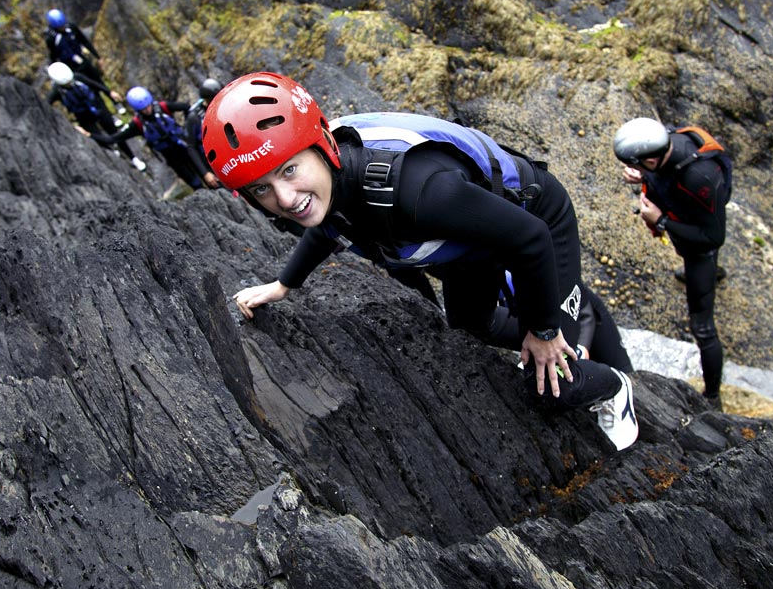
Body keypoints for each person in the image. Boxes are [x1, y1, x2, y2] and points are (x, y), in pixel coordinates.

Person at [202, 72, 639, 451]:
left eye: (289, 171)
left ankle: (615, 385)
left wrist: (543, 332)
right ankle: (552, 331)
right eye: (261, 189)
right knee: (470, 324)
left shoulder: (417, 193)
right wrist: (284, 286)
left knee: (551, 387)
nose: (284, 199)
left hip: (533, 222)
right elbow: (329, 227)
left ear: (321, 147)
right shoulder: (331, 180)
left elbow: (531, 237)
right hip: (472, 241)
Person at [613, 117, 733, 405]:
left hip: (701, 246)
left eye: (640, 164)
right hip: (695, 217)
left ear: (652, 159)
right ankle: (714, 271)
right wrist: (641, 177)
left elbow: (713, 237)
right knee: (695, 248)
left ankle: (714, 395)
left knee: (703, 329)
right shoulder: (663, 144)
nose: (640, 169)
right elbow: (662, 176)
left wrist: (661, 220)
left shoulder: (698, 177)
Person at [97, 86, 218, 196]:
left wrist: (188, 130)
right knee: (195, 184)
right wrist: (90, 135)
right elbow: (114, 138)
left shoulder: (163, 107)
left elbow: (186, 107)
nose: (148, 110)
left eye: (148, 106)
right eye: (143, 109)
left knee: (208, 174)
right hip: (173, 158)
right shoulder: (137, 125)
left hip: (185, 147)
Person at [45, 63, 146, 171]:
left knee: (114, 132)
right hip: (83, 117)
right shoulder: (57, 91)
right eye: (67, 83)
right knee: (96, 137)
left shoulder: (78, 77)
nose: (70, 83)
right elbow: (46, 104)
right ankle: (112, 153)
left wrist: (110, 92)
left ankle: (133, 158)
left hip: (97, 107)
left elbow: (94, 84)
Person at [44, 9, 114, 94]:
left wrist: (98, 57)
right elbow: (53, 56)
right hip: (72, 68)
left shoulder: (71, 28)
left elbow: (84, 41)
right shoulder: (51, 39)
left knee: (99, 81)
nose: (63, 27)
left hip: (82, 60)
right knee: (89, 89)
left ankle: (114, 101)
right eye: (60, 27)